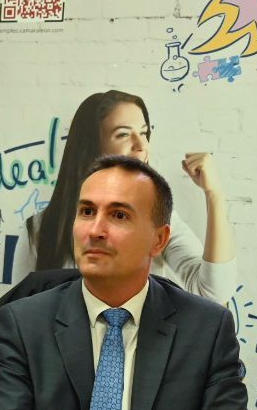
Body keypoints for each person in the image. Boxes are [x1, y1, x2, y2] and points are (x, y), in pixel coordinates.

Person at [0, 154, 257, 410]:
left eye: (118, 215)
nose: (95, 230)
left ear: (159, 239)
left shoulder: (205, 328)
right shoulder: (25, 322)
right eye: (87, 211)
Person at [12, 89, 236, 304]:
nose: (141, 146)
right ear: (92, 146)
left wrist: (214, 194)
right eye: (123, 134)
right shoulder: (40, 229)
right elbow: (21, 318)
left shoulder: (159, 221)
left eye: (144, 132)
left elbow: (213, 292)